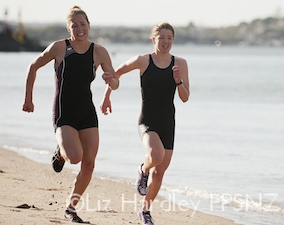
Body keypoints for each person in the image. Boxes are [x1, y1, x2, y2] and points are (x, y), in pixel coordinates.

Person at [22, 6, 119, 223]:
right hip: (63, 111)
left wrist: (112, 82)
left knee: (90, 163)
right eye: (74, 25)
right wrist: (29, 97)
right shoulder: (59, 48)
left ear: (89, 26)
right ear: (69, 28)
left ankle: (71, 207)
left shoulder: (99, 51)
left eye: (83, 24)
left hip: (87, 113)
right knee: (75, 157)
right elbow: (33, 66)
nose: (79, 28)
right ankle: (61, 152)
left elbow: (115, 80)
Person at [100, 22, 189, 225]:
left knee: (160, 173)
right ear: (153, 39)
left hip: (168, 122)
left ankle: (145, 211)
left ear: (173, 40)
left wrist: (179, 81)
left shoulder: (180, 64)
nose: (166, 41)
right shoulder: (143, 60)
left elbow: (185, 97)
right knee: (155, 156)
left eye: (169, 38)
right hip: (147, 120)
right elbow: (116, 73)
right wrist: (107, 96)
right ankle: (142, 170)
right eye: (162, 37)